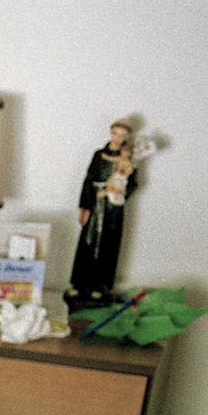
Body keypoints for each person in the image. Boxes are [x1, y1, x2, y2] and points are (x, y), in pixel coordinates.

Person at [66, 119, 139, 308]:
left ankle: (100, 286)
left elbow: (132, 183)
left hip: (112, 209)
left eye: (122, 135)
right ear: (110, 133)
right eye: (115, 133)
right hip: (95, 203)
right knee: (87, 243)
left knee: (107, 245)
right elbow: (88, 180)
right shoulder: (99, 155)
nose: (118, 138)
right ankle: (79, 284)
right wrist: (84, 206)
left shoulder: (128, 159)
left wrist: (120, 193)